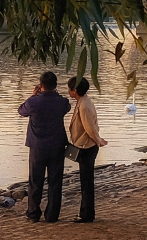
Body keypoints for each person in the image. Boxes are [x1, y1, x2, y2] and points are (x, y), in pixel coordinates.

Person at [18, 71, 71, 222]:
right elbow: (67, 107)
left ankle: (33, 213)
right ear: (55, 86)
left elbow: (21, 111)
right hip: (57, 146)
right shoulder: (61, 102)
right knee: (55, 181)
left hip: (37, 146)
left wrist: (34, 95)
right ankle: (52, 215)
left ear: (40, 85)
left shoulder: (34, 102)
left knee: (35, 180)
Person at [67, 77, 107, 223]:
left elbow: (89, 127)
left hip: (87, 147)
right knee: (86, 181)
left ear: (75, 90)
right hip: (84, 145)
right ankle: (86, 212)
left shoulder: (84, 106)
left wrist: (98, 140)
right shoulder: (83, 102)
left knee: (87, 182)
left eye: (69, 88)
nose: (68, 91)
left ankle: (87, 214)